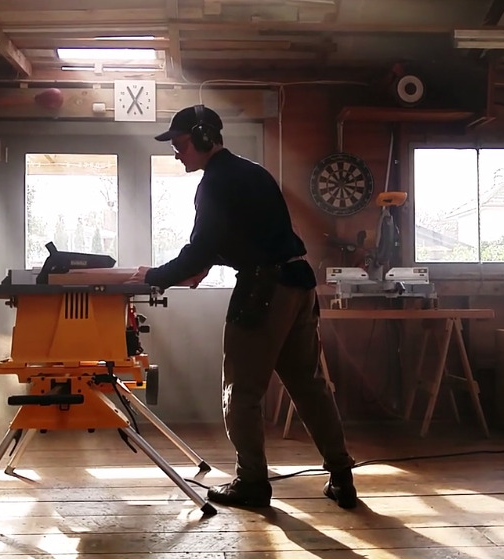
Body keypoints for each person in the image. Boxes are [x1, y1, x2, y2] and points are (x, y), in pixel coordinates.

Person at [128, 104, 357, 509]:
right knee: (309, 386)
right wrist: (202, 265)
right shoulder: (253, 172)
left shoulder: (214, 183)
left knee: (241, 391)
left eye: (180, 144)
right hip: (298, 283)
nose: (176, 153)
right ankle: (341, 477)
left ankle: (252, 482)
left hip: (262, 290)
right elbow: (246, 237)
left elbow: (202, 247)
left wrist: (154, 276)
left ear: (203, 137)